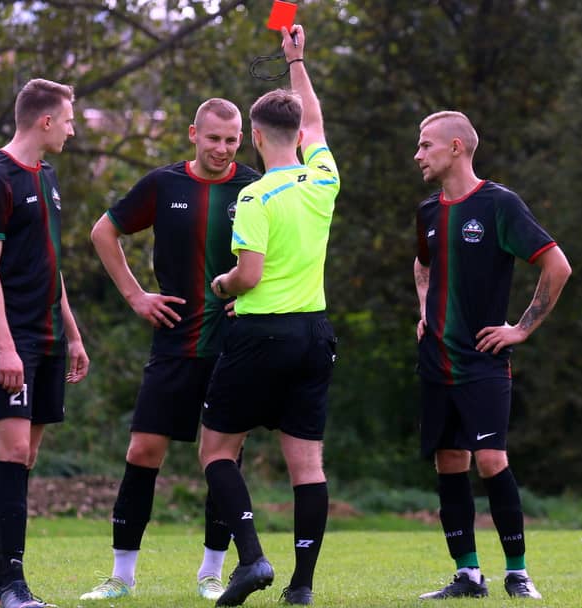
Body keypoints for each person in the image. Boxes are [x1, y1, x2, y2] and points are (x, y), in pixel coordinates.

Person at [78, 98, 260, 602]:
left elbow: (276, 255)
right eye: (213, 138)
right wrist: (136, 296)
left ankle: (212, 574)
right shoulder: (164, 184)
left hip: (233, 347)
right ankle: (121, 577)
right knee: (143, 450)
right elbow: (103, 231)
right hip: (174, 341)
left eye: (232, 140)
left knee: (224, 459)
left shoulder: (254, 187)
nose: (222, 148)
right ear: (193, 134)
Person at [198, 24, 339, 607]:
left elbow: (248, 276)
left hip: (260, 333)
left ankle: (253, 557)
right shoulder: (324, 178)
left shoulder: (254, 196)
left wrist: (221, 284)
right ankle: (301, 586)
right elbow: (317, 122)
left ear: (254, 136)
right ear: (299, 135)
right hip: (315, 333)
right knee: (306, 464)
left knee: (215, 450)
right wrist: (296, 60)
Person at [412, 110, 571, 600]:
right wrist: (424, 309)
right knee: (448, 462)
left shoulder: (499, 204)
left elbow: (557, 266)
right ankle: (468, 575)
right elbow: (421, 264)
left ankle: (518, 573)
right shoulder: (428, 211)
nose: (418, 155)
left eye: (426, 145)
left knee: (490, 459)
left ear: (456, 147)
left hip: (482, 360)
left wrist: (521, 329)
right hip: (435, 360)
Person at [0, 78, 90, 608]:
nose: (72, 130)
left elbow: (51, 265)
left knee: (26, 457)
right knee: (13, 452)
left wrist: (73, 333)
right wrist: (6, 346)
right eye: (68, 120)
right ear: (45, 121)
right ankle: (11, 585)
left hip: (50, 338)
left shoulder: (48, 176)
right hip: (13, 339)